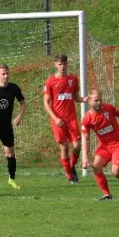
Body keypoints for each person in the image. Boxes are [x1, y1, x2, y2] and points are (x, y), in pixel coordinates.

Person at [81, 90, 119, 200]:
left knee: (116, 172)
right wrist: (85, 158)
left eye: (100, 100)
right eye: (96, 100)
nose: (99, 102)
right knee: (96, 166)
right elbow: (86, 139)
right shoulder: (87, 119)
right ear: (89, 100)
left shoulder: (108, 108)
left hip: (118, 144)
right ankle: (107, 195)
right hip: (104, 146)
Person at [43, 54, 88, 183]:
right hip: (58, 119)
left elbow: (76, 97)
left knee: (78, 146)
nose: (62, 66)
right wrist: (55, 118)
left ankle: (72, 167)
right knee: (64, 147)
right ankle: (69, 176)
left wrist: (84, 99)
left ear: (68, 64)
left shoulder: (73, 79)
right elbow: (46, 103)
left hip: (71, 118)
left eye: (64, 64)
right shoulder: (50, 81)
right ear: (55, 65)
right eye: (60, 64)